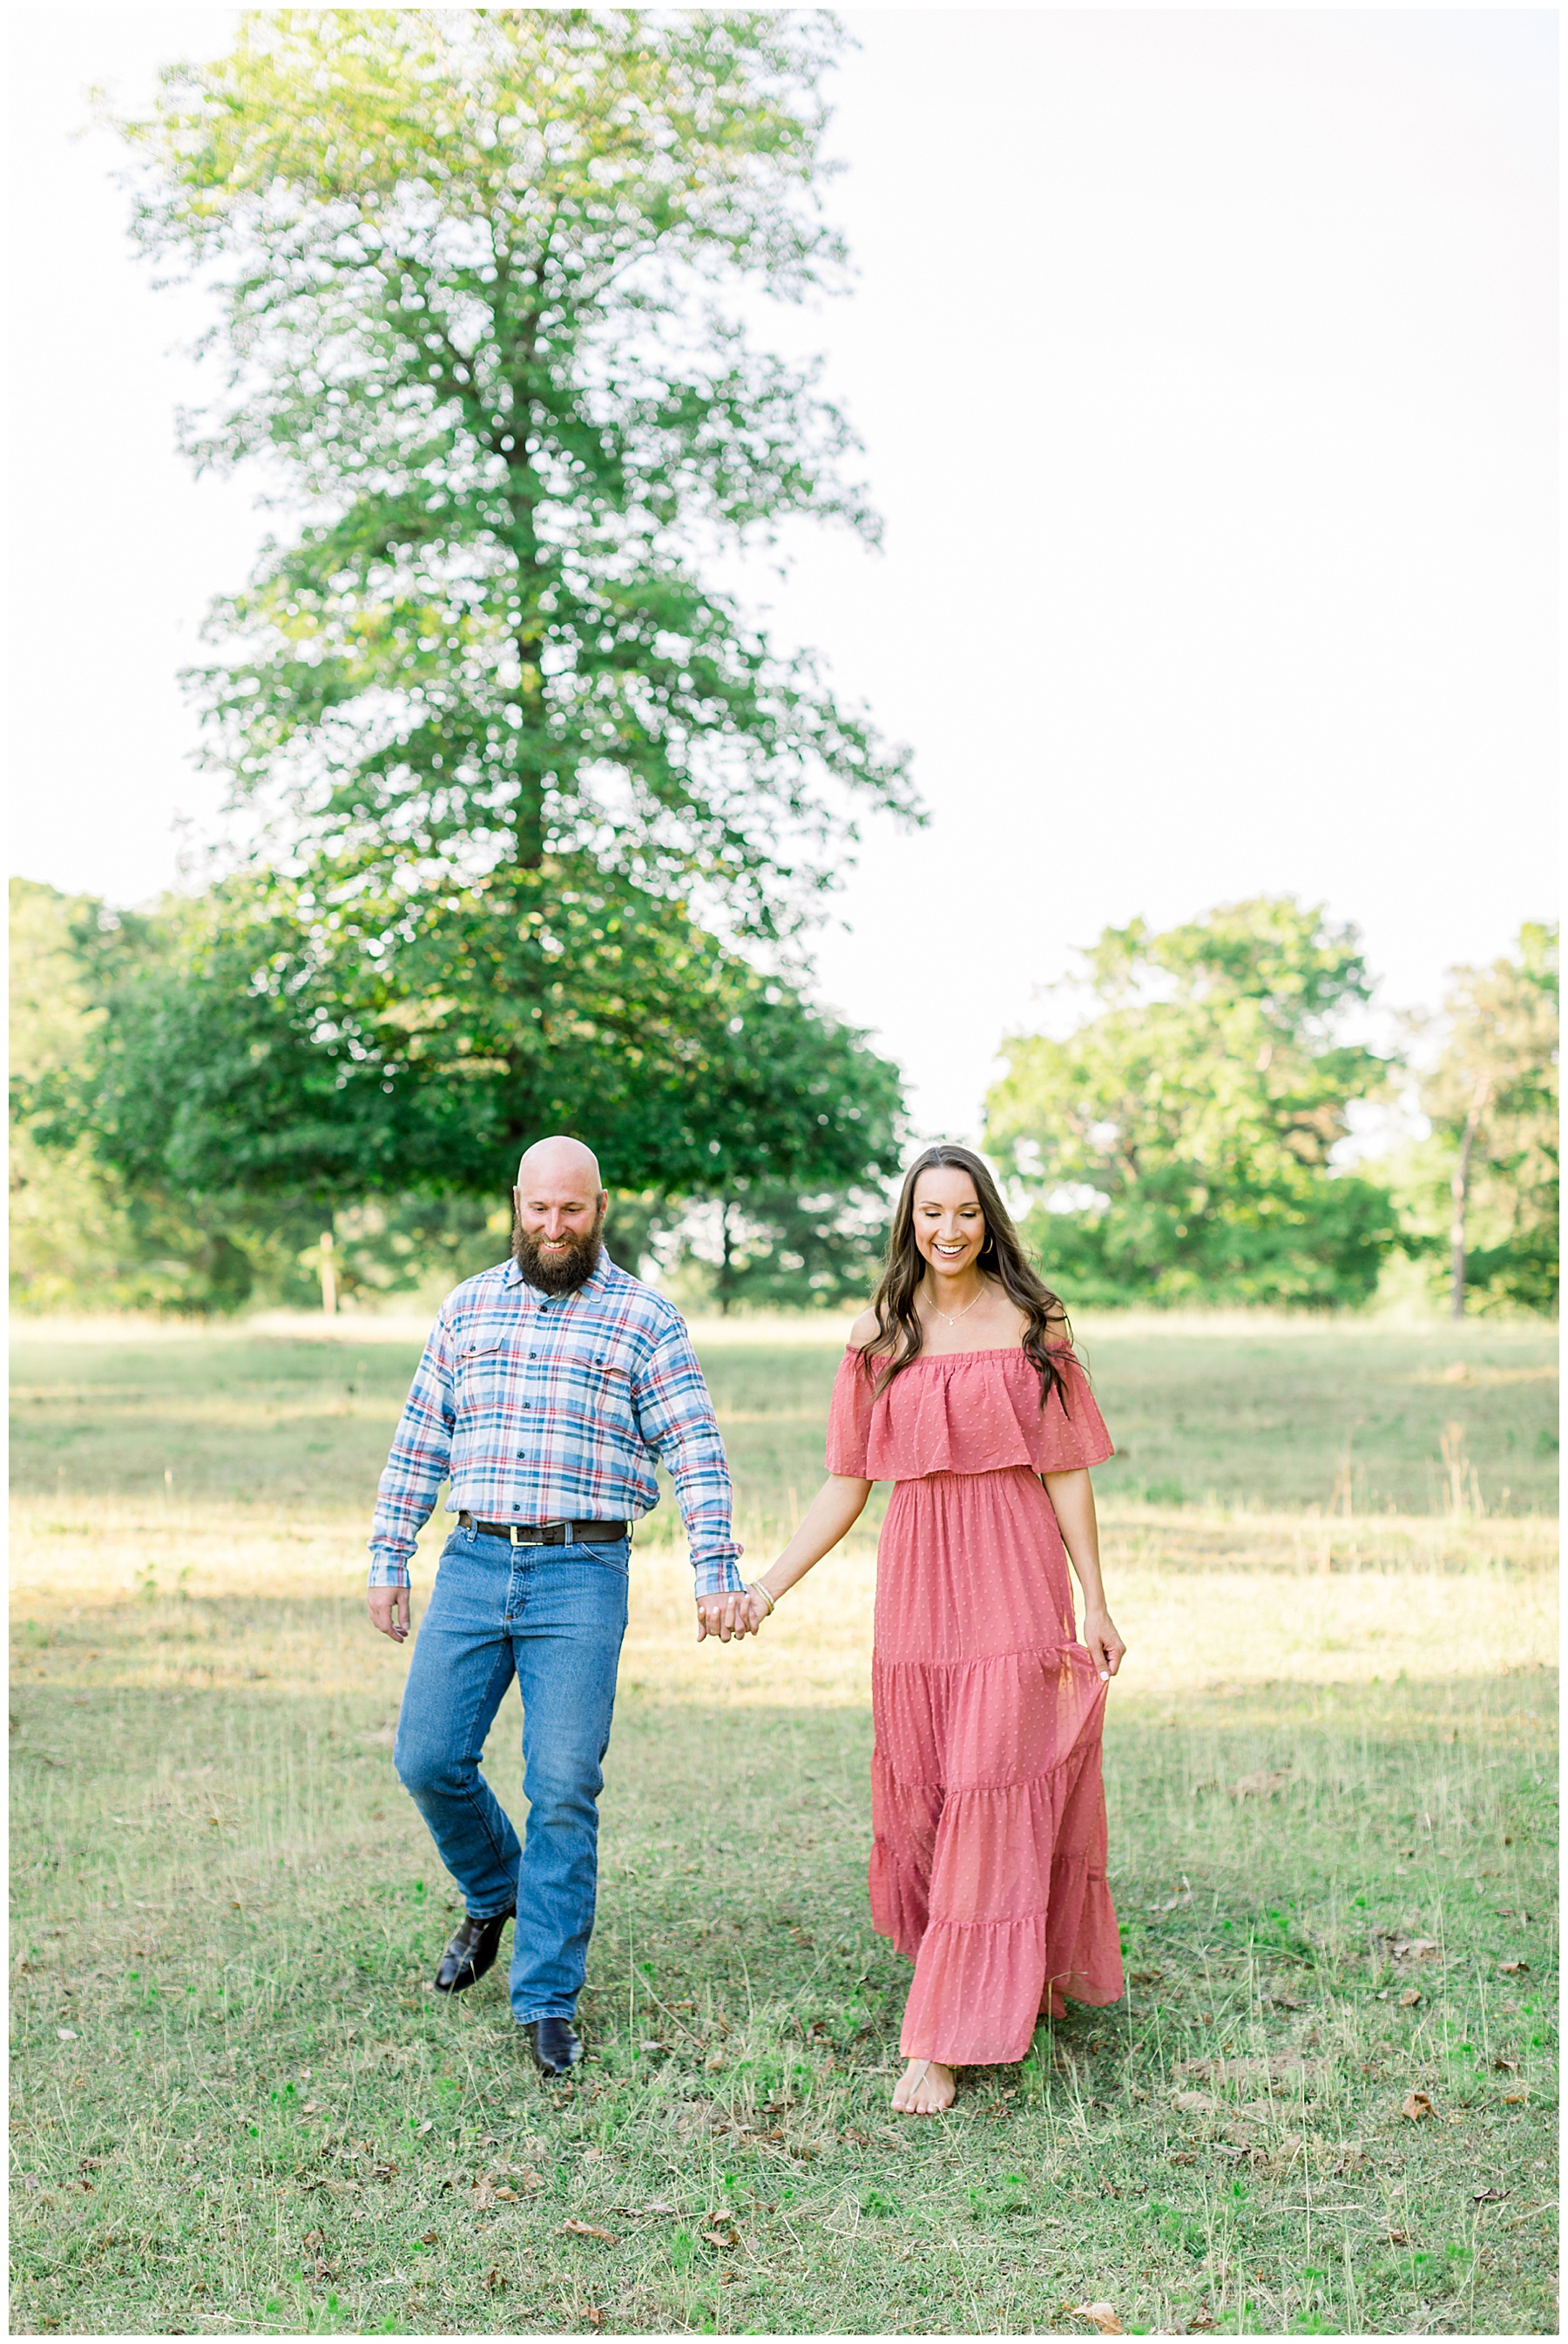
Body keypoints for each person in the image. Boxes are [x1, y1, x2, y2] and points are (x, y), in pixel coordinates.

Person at [739, 1143, 1127, 2115]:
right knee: (936, 1792)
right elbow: (847, 1479)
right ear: (908, 1223)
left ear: (988, 1218)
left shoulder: (1035, 1323)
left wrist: (1096, 1597)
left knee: (998, 1776)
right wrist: (772, 1583)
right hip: (919, 1580)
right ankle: (995, 1966)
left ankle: (943, 2038)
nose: (947, 1230)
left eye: (964, 1212)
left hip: (1014, 1570)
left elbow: (1068, 1466)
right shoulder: (879, 1332)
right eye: (929, 1213)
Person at [367, 1135, 757, 2076]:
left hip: (581, 1572)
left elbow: (696, 1450)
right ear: (516, 1202)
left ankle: (545, 1996)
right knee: (427, 1756)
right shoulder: (466, 1307)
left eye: (571, 1209)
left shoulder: (643, 1318)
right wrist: (390, 1552)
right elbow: (422, 1434)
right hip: (472, 1560)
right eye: (539, 1208)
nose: (554, 1226)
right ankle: (494, 1889)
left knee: (564, 1783)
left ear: (600, 1208)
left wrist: (716, 1567)